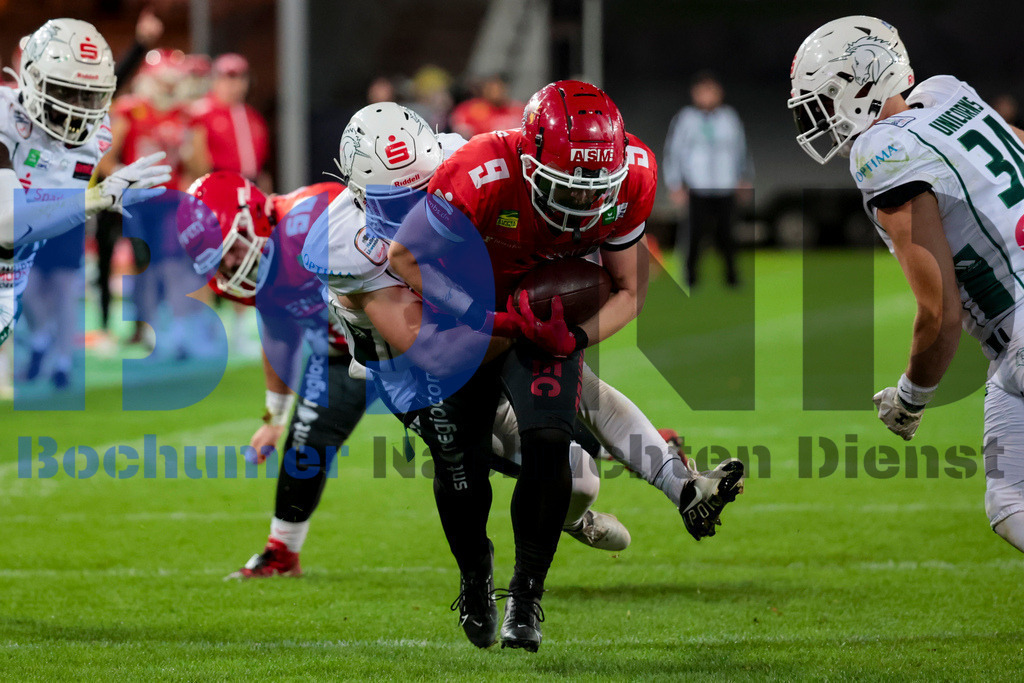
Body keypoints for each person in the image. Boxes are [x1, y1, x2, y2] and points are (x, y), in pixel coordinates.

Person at [309, 101, 740, 648]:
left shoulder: (464, 169)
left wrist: (542, 326)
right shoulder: (347, 249)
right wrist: (515, 323)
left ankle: (653, 492)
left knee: (574, 463)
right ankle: (480, 575)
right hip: (415, 365)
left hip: (489, 310)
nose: (418, 209)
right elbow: (441, 353)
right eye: (399, 200)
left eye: (424, 190)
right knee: (480, 473)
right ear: (360, 192)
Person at [788, 15, 1024, 554]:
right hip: (1012, 354)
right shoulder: (947, 93)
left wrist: (911, 399)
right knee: (1010, 502)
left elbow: (938, 312)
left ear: (860, 85)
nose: (821, 118)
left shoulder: (882, 152)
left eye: (825, 100)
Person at [178, 171, 365, 578]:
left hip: (406, 344)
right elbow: (280, 330)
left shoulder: (316, 217)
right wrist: (274, 418)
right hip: (339, 353)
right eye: (218, 258)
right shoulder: (241, 273)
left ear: (253, 216)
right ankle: (281, 553)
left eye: (230, 249)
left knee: (469, 444)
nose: (229, 265)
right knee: (305, 445)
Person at [1, 18, 171, 348]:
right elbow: (6, 224)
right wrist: (94, 199)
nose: (77, 108)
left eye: (88, 95)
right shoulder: (7, 118)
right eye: (66, 92)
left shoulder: (97, 131)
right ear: (33, 77)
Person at [663, 72, 752, 287]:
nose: (707, 96)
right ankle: (690, 277)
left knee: (728, 234)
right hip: (698, 187)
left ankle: (731, 277)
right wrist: (675, 184)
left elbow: (740, 149)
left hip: (725, 186)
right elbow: (673, 152)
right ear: (694, 94)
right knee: (694, 235)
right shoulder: (686, 119)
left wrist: (745, 177)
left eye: (711, 91)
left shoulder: (729, 117)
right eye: (703, 91)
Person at [191, 53, 269, 187]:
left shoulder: (253, 116)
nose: (236, 85)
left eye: (241, 78)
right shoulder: (200, 113)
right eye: (229, 78)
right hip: (217, 183)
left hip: (250, 184)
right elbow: (194, 162)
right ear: (215, 80)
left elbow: (261, 164)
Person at [449, 73, 523, 139]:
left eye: (499, 89)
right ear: (484, 90)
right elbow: (461, 134)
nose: (496, 93)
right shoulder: (468, 109)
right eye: (492, 89)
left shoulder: (518, 110)